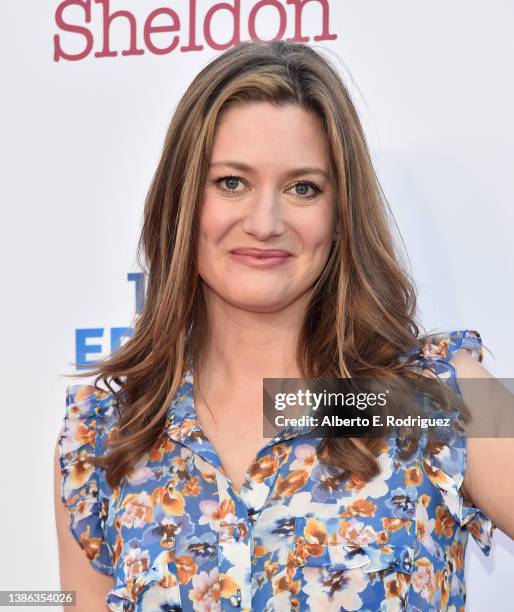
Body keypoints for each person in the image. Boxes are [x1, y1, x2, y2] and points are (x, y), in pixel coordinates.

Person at [54, 40, 514, 611]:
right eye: (231, 182)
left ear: (341, 210)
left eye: (303, 188)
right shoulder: (106, 434)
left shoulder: (440, 392)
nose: (265, 222)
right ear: (181, 200)